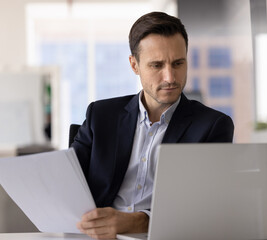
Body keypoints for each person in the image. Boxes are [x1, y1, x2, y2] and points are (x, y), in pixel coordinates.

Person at [71, 11, 234, 239]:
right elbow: (68, 184)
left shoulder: (213, 125)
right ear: (134, 65)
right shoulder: (101, 115)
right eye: (156, 65)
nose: (170, 77)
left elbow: (204, 207)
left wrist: (137, 221)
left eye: (178, 63)